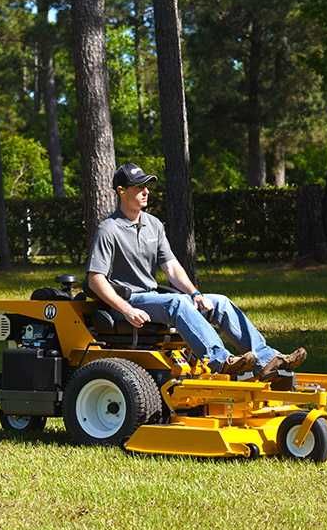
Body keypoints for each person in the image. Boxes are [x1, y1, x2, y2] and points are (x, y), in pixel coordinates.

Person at [85, 162, 306, 378]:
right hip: (130, 301)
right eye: (139, 187)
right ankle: (221, 360)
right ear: (121, 191)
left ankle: (267, 360)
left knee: (220, 302)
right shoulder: (109, 229)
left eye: (147, 186)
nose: (146, 191)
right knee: (177, 302)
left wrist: (195, 294)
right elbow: (96, 279)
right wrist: (126, 309)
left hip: (153, 298)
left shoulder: (153, 224)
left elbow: (171, 267)